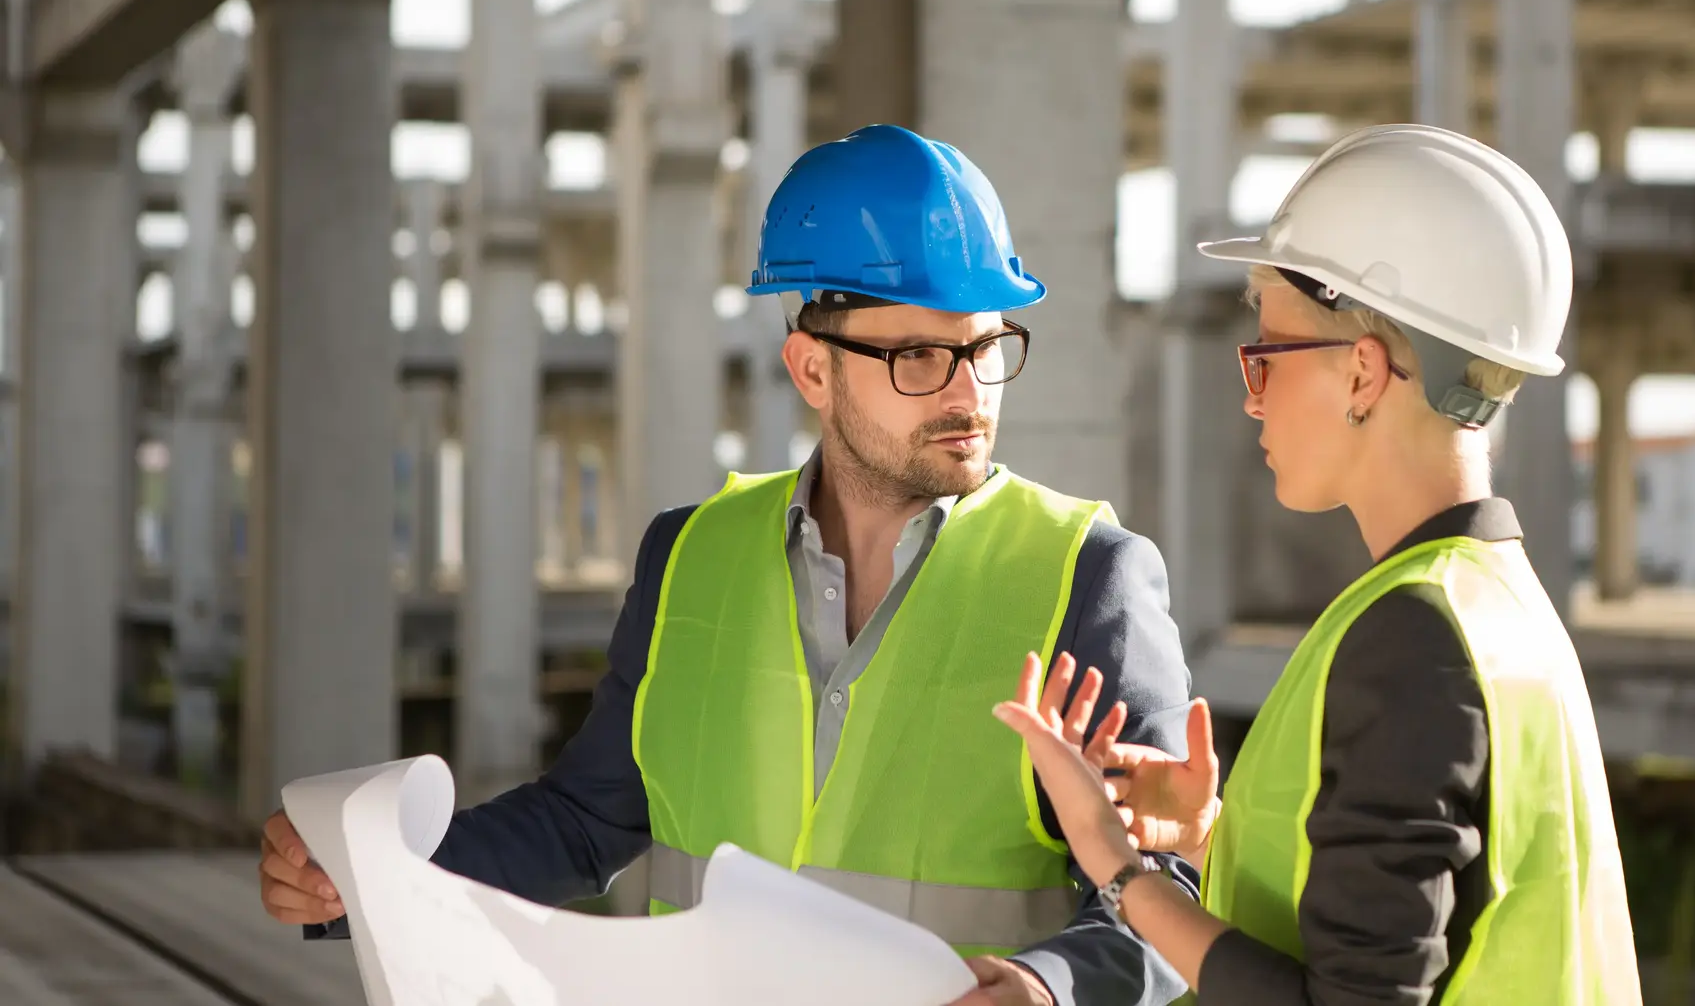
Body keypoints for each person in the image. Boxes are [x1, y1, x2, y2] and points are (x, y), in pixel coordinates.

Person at [256, 124, 1197, 1006]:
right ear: (811, 370)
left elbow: (1166, 892)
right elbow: (589, 821)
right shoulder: (687, 558)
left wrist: (1047, 987)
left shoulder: (1088, 575)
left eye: (987, 347)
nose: (967, 390)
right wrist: (365, 875)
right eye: (918, 355)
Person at [991, 124, 1644, 1004]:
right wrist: (1210, 838)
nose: (1251, 400)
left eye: (1266, 359)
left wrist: (1118, 871)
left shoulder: (1416, 638)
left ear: (1364, 375)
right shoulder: (1497, 608)